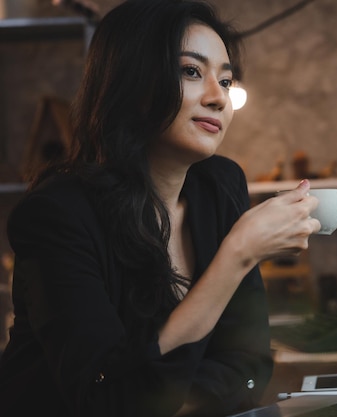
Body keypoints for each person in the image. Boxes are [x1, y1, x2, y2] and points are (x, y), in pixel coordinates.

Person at [0, 1, 320, 416]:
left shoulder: (220, 187)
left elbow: (247, 364)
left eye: (225, 80)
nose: (219, 98)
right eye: (191, 71)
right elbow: (108, 400)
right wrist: (237, 254)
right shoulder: (57, 214)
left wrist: (173, 406)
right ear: (132, 83)